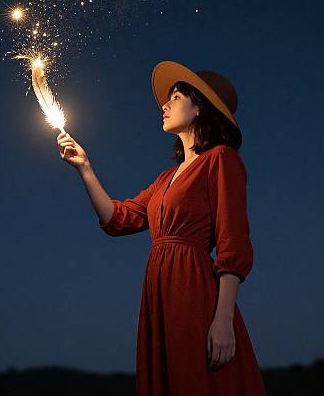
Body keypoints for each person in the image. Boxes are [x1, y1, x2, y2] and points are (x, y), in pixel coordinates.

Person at [56, 60, 266, 396]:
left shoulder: (221, 160)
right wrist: (85, 168)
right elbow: (117, 219)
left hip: (193, 288)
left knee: (197, 380)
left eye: (177, 97)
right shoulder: (165, 179)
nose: (165, 105)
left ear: (200, 109)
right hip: (159, 289)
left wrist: (223, 319)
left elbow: (234, 244)